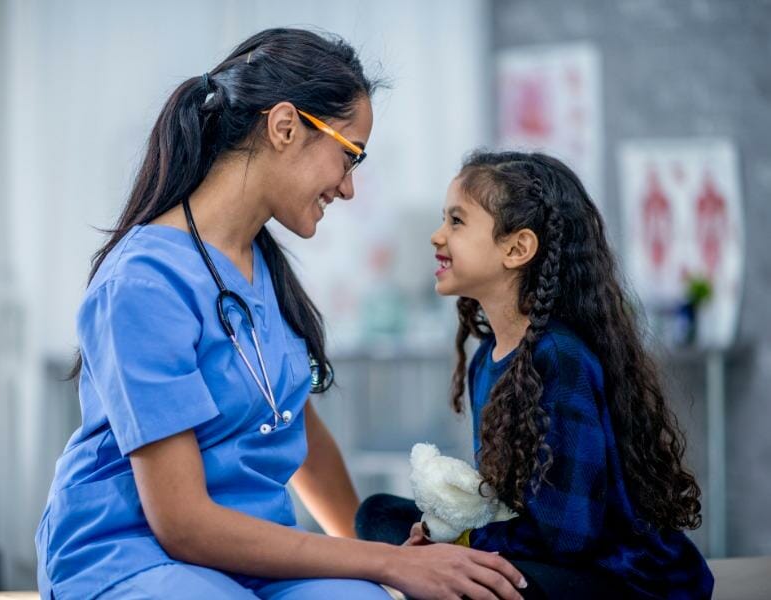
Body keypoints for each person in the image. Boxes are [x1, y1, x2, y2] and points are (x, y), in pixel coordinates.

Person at [35, 29, 528, 600]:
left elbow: (297, 431)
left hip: (253, 555)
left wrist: (393, 567)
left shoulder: (264, 269)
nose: (348, 188)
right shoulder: (144, 283)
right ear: (285, 127)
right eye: (348, 157)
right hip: (132, 552)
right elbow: (182, 523)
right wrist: (381, 563)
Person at [356, 151, 715, 599]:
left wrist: (458, 545)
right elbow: (502, 504)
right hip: (540, 550)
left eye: (456, 221)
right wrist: (436, 537)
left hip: (612, 574)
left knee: (471, 579)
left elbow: (570, 537)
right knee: (376, 515)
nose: (437, 236)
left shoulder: (559, 359)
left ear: (517, 248)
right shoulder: (485, 359)